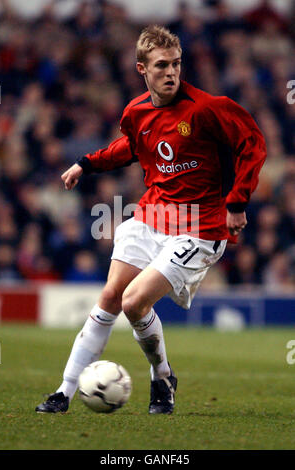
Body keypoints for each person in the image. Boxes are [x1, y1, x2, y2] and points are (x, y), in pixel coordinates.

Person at [35, 25, 266, 415]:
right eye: (162, 65)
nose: (171, 72)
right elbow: (130, 147)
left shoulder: (208, 108)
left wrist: (237, 201)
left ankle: (161, 376)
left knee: (134, 301)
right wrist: (85, 163)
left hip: (200, 225)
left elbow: (252, 142)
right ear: (142, 68)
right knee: (110, 297)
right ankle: (65, 391)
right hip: (152, 215)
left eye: (176, 64)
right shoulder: (135, 112)